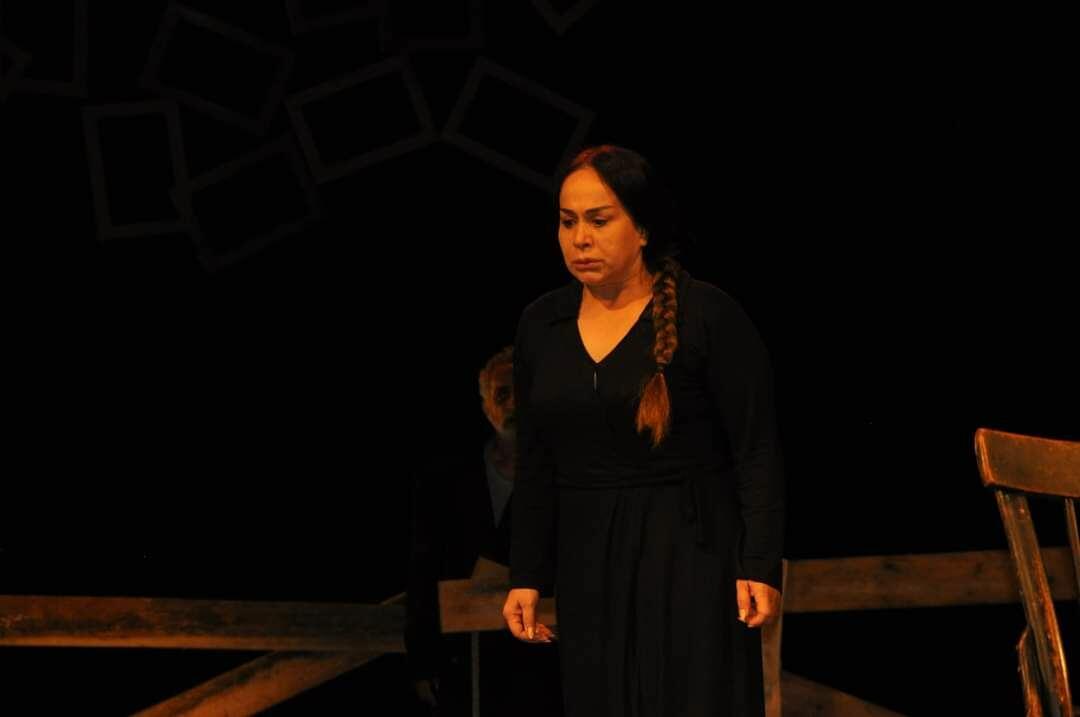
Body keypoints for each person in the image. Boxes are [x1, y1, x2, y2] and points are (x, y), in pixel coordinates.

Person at [500, 144, 786, 716]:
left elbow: (756, 449)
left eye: (599, 221)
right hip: (587, 556)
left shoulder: (705, 315)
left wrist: (759, 563)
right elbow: (536, 461)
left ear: (643, 228)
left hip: (690, 550)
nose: (581, 239)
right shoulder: (542, 324)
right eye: (568, 222)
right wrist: (526, 573)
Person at [405, 346, 564, 716]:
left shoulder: (562, 480)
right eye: (502, 394)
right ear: (486, 405)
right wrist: (422, 659)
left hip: (540, 665)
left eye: (521, 392)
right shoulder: (447, 480)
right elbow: (423, 570)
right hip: (465, 660)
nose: (513, 404)